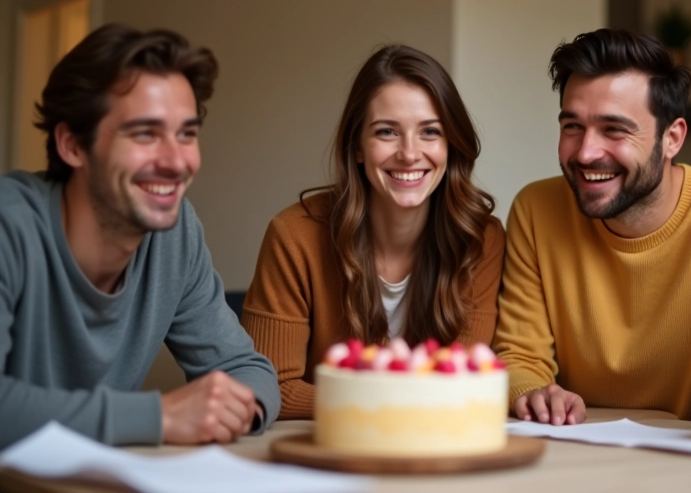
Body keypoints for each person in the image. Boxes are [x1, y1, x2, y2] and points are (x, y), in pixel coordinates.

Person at [492, 28, 691, 425]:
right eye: (572, 126)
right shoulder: (537, 208)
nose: (585, 152)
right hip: (576, 457)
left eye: (614, 129)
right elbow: (519, 355)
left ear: (672, 138)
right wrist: (531, 392)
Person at [0, 24, 280, 449]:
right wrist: (160, 417)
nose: (176, 161)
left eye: (186, 133)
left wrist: (235, 408)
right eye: (145, 133)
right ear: (72, 144)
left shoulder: (174, 233)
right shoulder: (9, 224)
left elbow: (245, 367)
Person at [242, 45, 504, 419]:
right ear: (358, 147)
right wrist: (385, 402)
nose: (410, 154)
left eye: (430, 132)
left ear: (451, 145)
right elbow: (270, 386)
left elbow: (464, 380)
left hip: (435, 455)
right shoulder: (293, 237)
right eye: (386, 132)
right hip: (328, 456)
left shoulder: (480, 239)